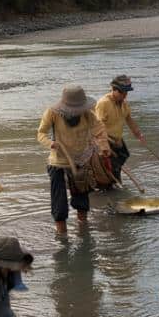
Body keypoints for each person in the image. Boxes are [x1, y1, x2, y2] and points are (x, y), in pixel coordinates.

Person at [37, 86, 109, 234]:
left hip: (80, 161)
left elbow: (99, 130)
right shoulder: (52, 113)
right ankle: (62, 234)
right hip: (58, 162)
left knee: (81, 199)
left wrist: (104, 147)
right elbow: (41, 133)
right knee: (59, 203)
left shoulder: (88, 115)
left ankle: (83, 230)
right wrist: (51, 143)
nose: (76, 112)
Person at [94, 74, 145, 183]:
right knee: (112, 164)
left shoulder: (124, 103)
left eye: (126, 93)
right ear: (113, 89)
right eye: (122, 92)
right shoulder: (104, 103)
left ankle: (115, 180)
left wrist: (138, 133)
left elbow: (129, 119)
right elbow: (98, 126)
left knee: (124, 155)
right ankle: (113, 184)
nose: (124, 95)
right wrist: (104, 145)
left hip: (117, 138)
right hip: (106, 138)